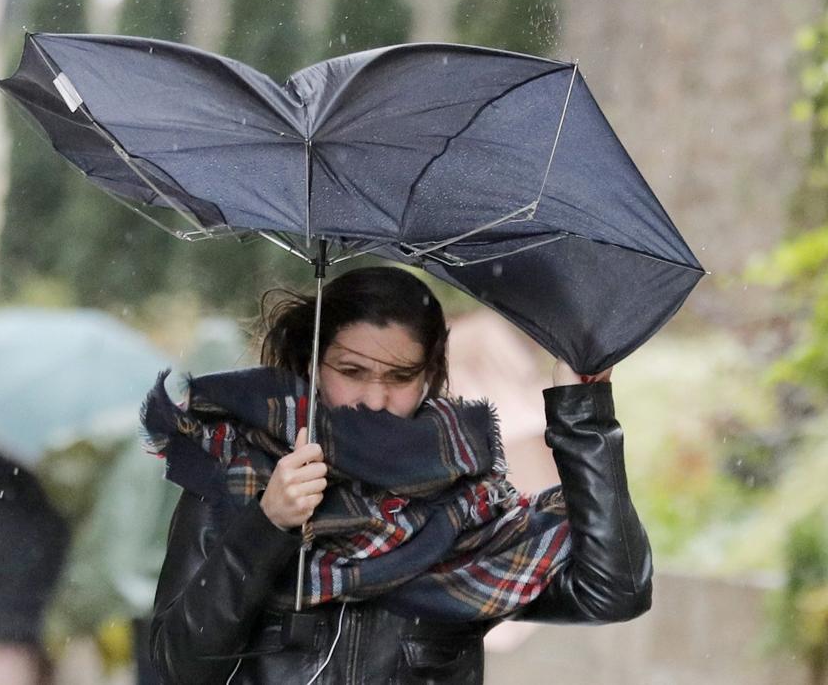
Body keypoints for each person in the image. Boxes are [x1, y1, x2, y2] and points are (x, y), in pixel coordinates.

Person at [143, 266, 653, 684]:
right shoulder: (239, 481)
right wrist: (266, 526)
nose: (374, 399)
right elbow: (174, 666)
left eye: (400, 377)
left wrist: (583, 415)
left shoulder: (469, 510)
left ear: (431, 375)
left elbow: (614, 590)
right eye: (351, 371)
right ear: (313, 364)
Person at [0, 447, 68, 685]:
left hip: (6, 566)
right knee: (31, 652)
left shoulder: (1, 448)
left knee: (10, 651)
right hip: (48, 562)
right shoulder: (68, 450)